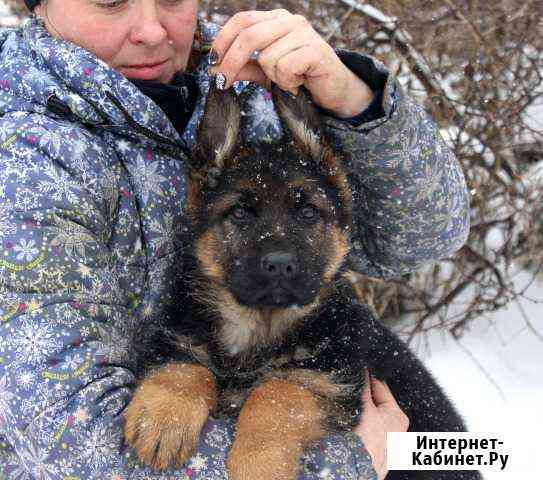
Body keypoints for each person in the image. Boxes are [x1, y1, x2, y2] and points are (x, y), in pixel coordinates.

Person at [0, 0, 468, 478]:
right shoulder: (25, 161)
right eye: (110, 0)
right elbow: (69, 444)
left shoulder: (256, 79)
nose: (150, 30)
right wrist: (348, 461)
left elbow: (425, 236)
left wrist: (352, 100)